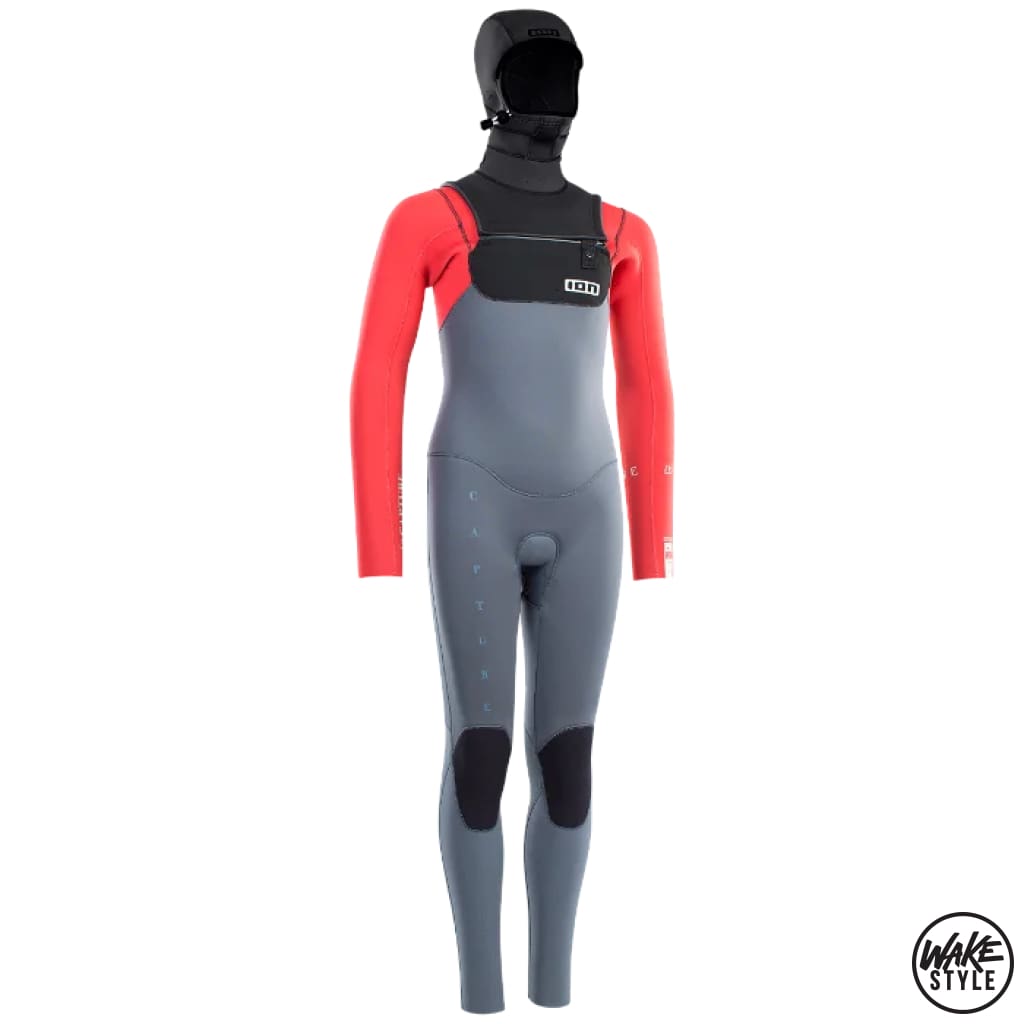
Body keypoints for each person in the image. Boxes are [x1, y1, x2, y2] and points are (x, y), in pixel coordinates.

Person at [350, 9, 673, 1012]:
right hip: (473, 501)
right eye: (531, 73)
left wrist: (656, 540)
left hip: (591, 514)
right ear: (490, 89)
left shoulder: (623, 233)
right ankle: (481, 995)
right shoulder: (428, 219)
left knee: (568, 761)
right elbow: (376, 377)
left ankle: (553, 992)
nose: (549, 93)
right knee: (479, 753)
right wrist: (378, 542)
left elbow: (648, 386)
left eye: (562, 73)